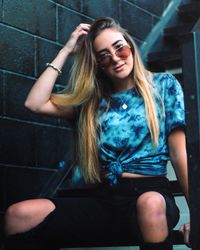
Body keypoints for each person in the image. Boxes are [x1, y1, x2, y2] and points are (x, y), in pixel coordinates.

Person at [3, 16, 190, 250]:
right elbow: (35, 103)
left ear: (130, 46)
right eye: (104, 56)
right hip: (107, 200)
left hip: (153, 198)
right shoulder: (92, 102)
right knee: (18, 214)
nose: (115, 59)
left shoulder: (164, 85)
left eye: (119, 49)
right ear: (98, 64)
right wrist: (67, 49)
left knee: (149, 203)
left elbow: (178, 153)